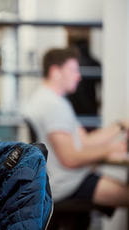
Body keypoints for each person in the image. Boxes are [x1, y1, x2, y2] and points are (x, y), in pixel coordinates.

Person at [23, 47, 129, 215]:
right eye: (73, 70)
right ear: (55, 72)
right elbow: (70, 158)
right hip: (67, 184)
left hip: (69, 178)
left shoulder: (52, 99)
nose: (79, 76)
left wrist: (121, 126)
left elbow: (85, 141)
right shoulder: (52, 105)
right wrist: (109, 150)